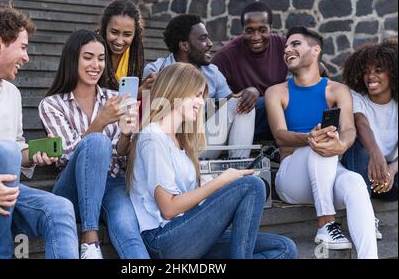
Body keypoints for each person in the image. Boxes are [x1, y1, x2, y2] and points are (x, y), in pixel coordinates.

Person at [126, 62, 297, 259]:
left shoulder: (182, 140)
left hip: (189, 230)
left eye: (202, 96)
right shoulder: (153, 137)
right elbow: (169, 209)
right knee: (252, 185)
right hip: (164, 239)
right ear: (177, 91)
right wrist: (221, 182)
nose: (200, 103)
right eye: (196, 95)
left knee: (285, 248)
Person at [0, 5, 79, 259]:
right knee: (5, 150)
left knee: (60, 208)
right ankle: (0, 254)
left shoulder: (12, 94)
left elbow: (15, 151)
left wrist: (33, 154)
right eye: (23, 47)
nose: (26, 57)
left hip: (5, 197)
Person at [265, 26, 378, 258]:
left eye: (295, 44)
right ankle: (326, 223)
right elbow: (279, 134)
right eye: (285, 46)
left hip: (329, 174)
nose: (287, 49)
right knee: (318, 144)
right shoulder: (277, 92)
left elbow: (348, 129)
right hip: (292, 179)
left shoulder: (337, 90)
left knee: (355, 181)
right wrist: (309, 138)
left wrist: (342, 144)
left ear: (315, 50)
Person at [39, 29, 149, 259]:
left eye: (101, 59)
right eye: (88, 57)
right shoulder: (52, 105)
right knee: (97, 142)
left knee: (128, 232)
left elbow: (121, 155)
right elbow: (64, 154)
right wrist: (99, 123)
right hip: (72, 188)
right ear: (73, 59)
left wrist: (128, 135)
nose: (95, 65)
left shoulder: (115, 98)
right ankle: (90, 240)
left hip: (111, 183)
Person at [144, 14, 256, 159]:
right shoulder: (156, 71)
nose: (210, 43)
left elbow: (231, 104)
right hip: (166, 146)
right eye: (202, 39)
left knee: (243, 104)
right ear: (184, 45)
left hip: (200, 145)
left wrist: (251, 91)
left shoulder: (212, 72)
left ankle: (239, 167)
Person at [341, 41, 398, 239]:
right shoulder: (357, 97)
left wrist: (391, 169)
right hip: (360, 169)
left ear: (393, 74)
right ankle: (365, 217)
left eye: (379, 70)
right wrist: (376, 153)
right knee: (358, 142)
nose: (370, 77)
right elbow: (361, 123)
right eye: (366, 71)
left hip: (387, 178)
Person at [212, 2, 288, 141]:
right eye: (250, 31)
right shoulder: (227, 55)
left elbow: (305, 62)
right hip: (244, 119)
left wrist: (315, 65)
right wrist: (246, 93)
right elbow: (212, 97)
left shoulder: (283, 46)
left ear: (271, 29)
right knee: (271, 100)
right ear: (242, 30)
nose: (256, 37)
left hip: (275, 117)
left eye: (262, 30)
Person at [97, 0, 155, 98]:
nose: (119, 41)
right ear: (104, 28)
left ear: (135, 34)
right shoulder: (91, 48)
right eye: (114, 32)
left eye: (127, 34)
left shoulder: (134, 54)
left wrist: (146, 84)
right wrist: (136, 93)